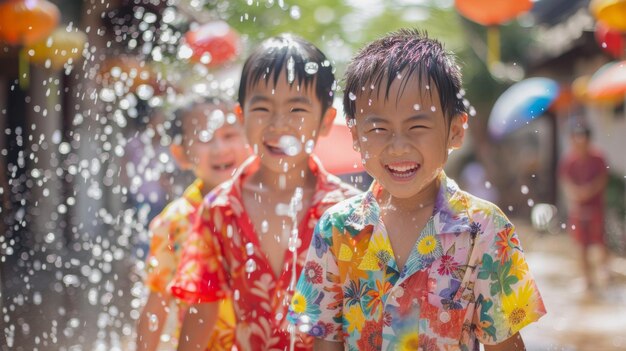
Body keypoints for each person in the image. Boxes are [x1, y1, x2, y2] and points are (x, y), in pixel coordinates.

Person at [288, 29, 546, 351]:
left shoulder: (484, 230)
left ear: (455, 130)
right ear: (355, 136)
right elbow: (325, 341)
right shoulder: (336, 229)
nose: (398, 146)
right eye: (378, 128)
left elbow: (505, 345)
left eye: (418, 126)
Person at [169, 34, 361, 351]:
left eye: (297, 109)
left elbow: (361, 317)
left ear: (325, 121)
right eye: (262, 108)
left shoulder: (347, 212)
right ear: (241, 116)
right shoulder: (220, 209)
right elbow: (202, 310)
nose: (278, 124)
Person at [136, 97, 251, 351]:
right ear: (181, 154)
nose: (220, 148)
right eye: (205, 138)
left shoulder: (265, 208)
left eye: (229, 134)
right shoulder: (175, 222)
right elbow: (156, 306)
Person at [558, 123, 610, 291]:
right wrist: (575, 193)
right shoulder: (569, 161)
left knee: (599, 242)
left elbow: (602, 179)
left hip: (595, 208)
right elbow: (566, 182)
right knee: (581, 246)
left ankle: (604, 273)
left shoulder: (598, 158)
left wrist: (588, 191)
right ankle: (588, 279)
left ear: (588, 140)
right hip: (578, 210)